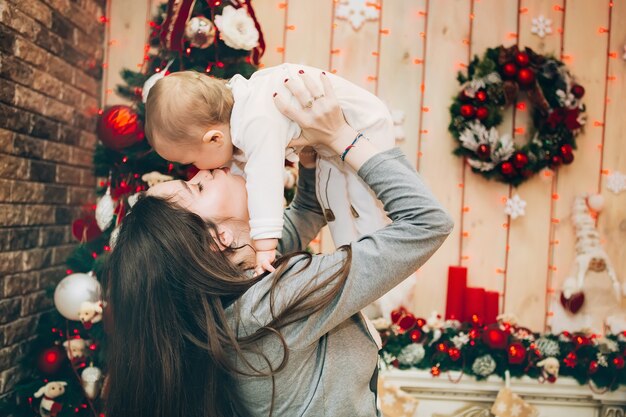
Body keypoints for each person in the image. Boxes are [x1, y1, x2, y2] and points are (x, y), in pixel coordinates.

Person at [102, 72, 454, 417]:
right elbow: (427, 223)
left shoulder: (238, 286)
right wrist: (341, 135)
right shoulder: (280, 297)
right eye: (196, 188)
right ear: (218, 239)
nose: (203, 173)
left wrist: (310, 154)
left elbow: (306, 211)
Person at [144, 63, 395, 275]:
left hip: (363, 127)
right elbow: (251, 182)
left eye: (191, 164)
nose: (201, 172)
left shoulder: (254, 119)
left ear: (215, 139)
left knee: (364, 210)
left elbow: (264, 181)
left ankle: (379, 268)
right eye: (196, 184)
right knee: (338, 211)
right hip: (336, 145)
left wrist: (265, 246)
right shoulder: (238, 116)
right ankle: (368, 269)